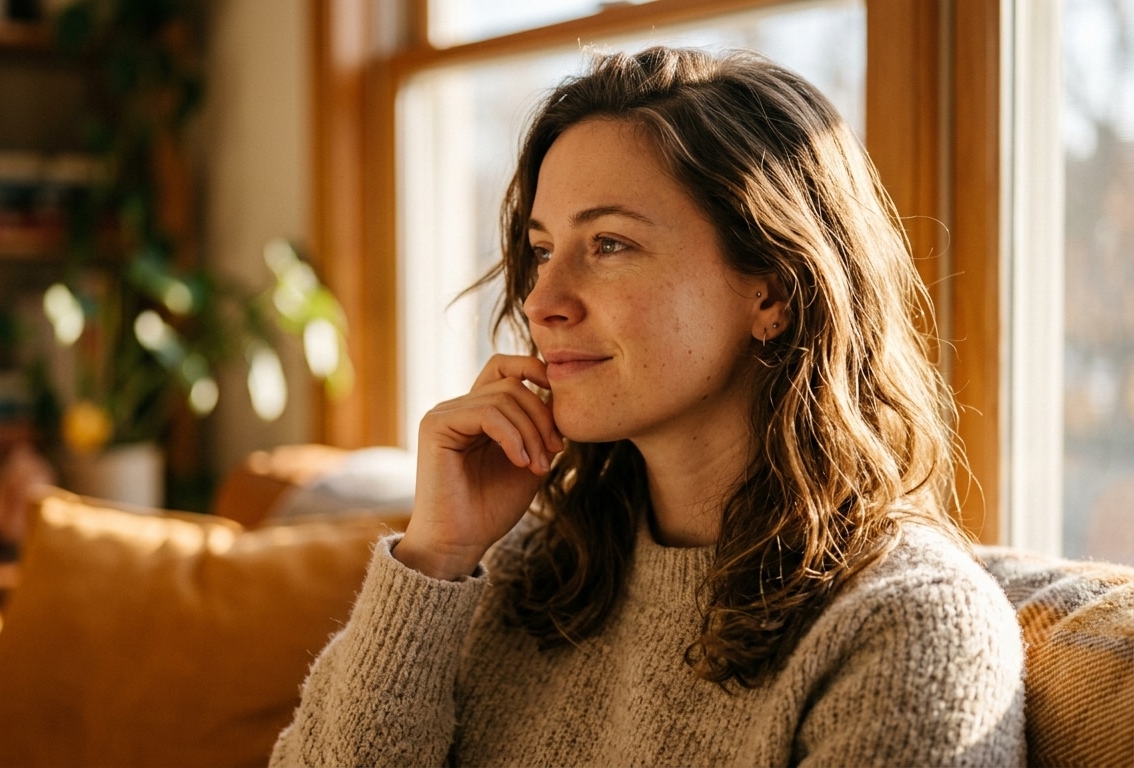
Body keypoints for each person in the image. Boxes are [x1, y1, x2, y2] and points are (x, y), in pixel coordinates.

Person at [270, 46, 1025, 767]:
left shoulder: (910, 626)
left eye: (608, 245)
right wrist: (435, 558)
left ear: (772, 290)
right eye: (540, 249)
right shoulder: (522, 575)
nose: (541, 301)